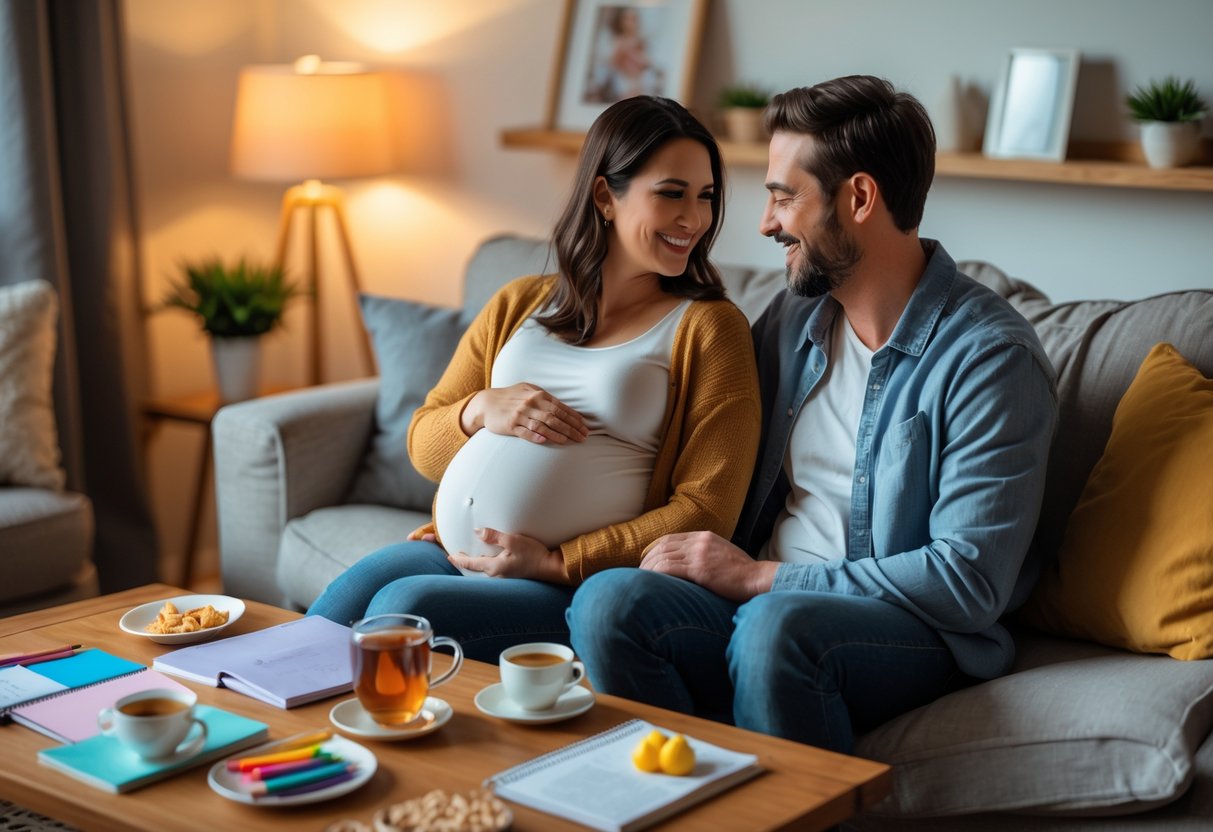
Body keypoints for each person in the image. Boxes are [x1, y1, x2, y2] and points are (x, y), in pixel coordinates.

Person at [567, 75, 1059, 753]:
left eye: (783, 197)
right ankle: (676, 798)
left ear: (858, 197)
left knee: (777, 628)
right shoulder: (794, 318)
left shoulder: (989, 358)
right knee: (609, 602)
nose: (766, 223)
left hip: (903, 629)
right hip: (761, 609)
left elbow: (964, 581)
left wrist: (758, 577)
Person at [309, 96, 761, 663]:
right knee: (320, 627)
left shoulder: (710, 328)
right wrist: (478, 410)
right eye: (672, 194)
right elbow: (423, 446)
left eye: (706, 197)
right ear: (605, 197)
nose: (694, 219)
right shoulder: (519, 302)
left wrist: (557, 561)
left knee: (403, 606)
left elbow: (707, 508)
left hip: (568, 585)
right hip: (457, 554)